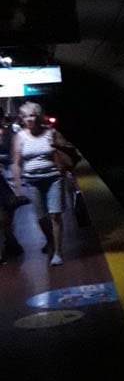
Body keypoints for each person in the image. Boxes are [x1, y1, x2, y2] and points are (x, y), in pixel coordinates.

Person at [11, 102, 76, 266]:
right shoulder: (20, 137)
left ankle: (58, 252)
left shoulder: (51, 133)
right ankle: (50, 240)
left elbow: (65, 152)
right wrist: (17, 187)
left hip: (53, 178)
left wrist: (67, 173)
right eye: (26, 116)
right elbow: (17, 162)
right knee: (41, 218)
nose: (29, 119)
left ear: (38, 117)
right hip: (33, 181)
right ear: (22, 119)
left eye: (32, 115)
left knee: (55, 215)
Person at [0, 108, 27, 262]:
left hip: (8, 175)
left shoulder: (10, 134)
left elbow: (16, 156)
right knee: (3, 214)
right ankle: (9, 242)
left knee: (8, 212)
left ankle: (10, 240)